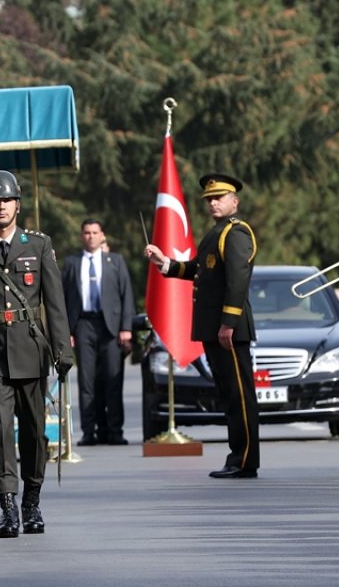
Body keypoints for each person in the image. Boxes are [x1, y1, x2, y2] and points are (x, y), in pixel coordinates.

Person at [0, 170, 73, 538]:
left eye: (6, 200)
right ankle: (8, 507)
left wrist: (62, 349)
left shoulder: (37, 245)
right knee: (1, 431)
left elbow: (54, 303)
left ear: (17, 205)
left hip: (30, 347)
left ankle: (32, 501)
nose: (0, 206)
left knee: (35, 432)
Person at [144, 172, 259, 479]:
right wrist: (164, 263)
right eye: (209, 199)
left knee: (239, 395)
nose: (212, 203)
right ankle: (238, 456)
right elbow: (198, 270)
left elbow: (238, 281)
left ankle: (244, 459)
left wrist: (228, 323)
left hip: (227, 330)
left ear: (234, 201)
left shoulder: (235, 232)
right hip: (214, 328)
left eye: (218, 198)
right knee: (228, 393)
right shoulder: (216, 233)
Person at [61, 218, 135, 446]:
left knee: (113, 379)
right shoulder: (72, 263)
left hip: (111, 327)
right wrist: (67, 331)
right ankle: (88, 431)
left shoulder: (115, 261)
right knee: (87, 382)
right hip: (84, 325)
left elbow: (127, 296)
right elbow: (63, 299)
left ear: (102, 235)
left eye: (95, 232)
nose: (91, 236)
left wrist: (126, 328)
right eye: (86, 232)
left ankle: (114, 430)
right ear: (81, 236)